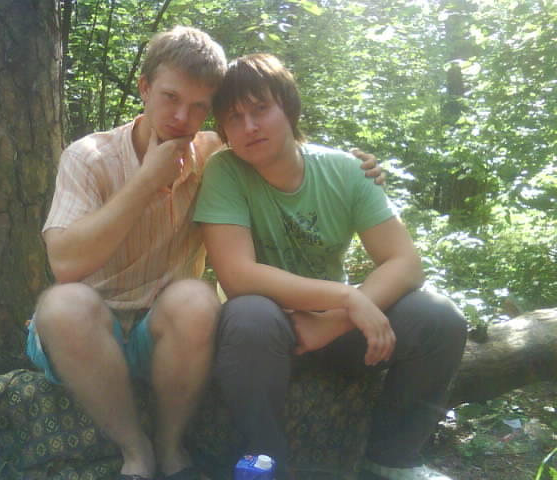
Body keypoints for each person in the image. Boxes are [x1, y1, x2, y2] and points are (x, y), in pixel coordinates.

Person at [25, 28, 383, 480]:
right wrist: (146, 181)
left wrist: (354, 168)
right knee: (63, 304)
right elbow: (65, 263)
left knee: (196, 297)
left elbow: (282, 151)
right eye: (170, 98)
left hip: (167, 334)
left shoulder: (214, 155)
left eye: (198, 106)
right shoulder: (89, 156)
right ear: (144, 88)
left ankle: (171, 447)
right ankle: (136, 452)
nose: (182, 117)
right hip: (89, 333)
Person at [194, 54, 467, 480]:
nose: (249, 126)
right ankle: (265, 460)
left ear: (289, 107)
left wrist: (332, 322)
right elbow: (237, 276)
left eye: (260, 109)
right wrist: (346, 297)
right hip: (265, 335)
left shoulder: (345, 171)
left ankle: (391, 457)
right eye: (234, 117)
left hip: (337, 332)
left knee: (439, 317)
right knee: (248, 313)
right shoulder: (225, 171)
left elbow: (405, 262)